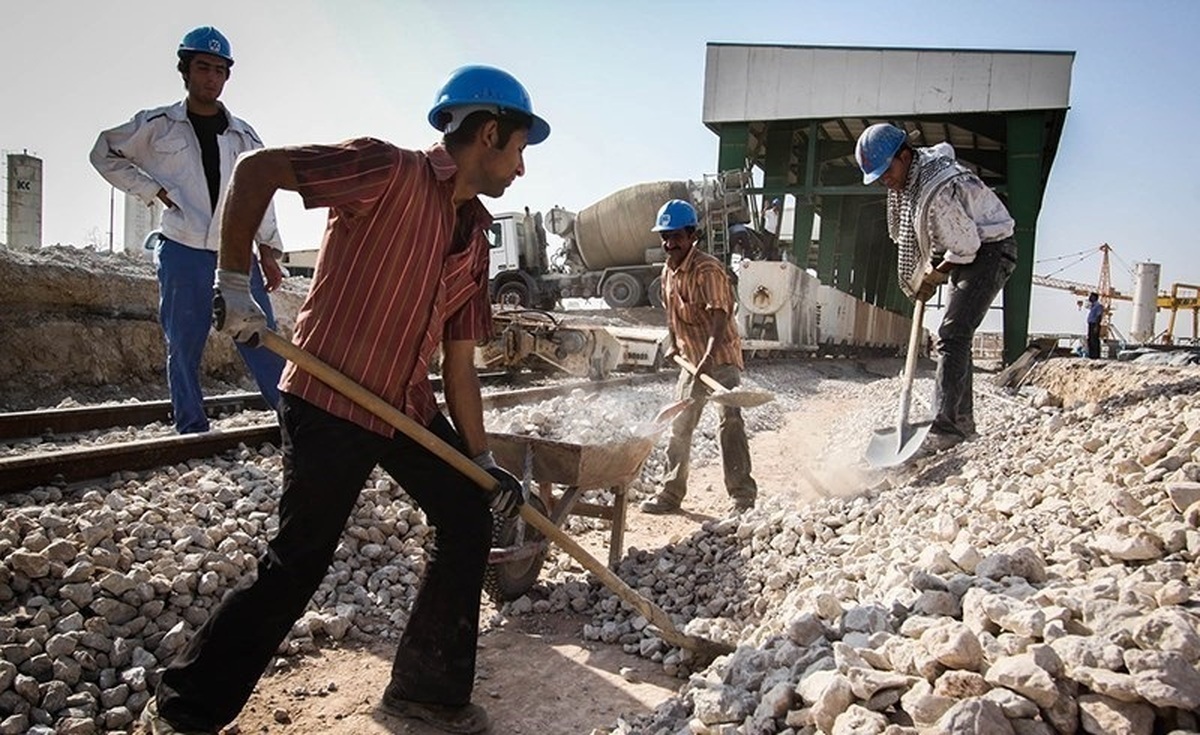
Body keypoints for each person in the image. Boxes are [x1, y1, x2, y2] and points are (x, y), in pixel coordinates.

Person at [139, 64, 548, 735]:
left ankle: (426, 691)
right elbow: (256, 171)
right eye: (520, 150)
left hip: (404, 409)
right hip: (330, 395)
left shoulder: (475, 239)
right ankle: (183, 709)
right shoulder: (385, 170)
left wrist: (480, 459)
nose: (522, 169)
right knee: (298, 561)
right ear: (490, 133)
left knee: (468, 513)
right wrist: (235, 282)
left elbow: (460, 362)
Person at [90, 26, 286, 434]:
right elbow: (104, 151)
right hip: (182, 250)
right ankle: (191, 430)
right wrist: (150, 188)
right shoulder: (157, 125)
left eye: (219, 70)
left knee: (261, 339)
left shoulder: (244, 136)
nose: (211, 77)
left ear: (227, 76)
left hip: (235, 255)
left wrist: (268, 251)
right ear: (185, 70)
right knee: (184, 344)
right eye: (202, 67)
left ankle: (292, 423)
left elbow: (261, 195)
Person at [855, 123, 1018, 453]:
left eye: (887, 171)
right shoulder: (919, 172)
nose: (885, 180)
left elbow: (968, 246)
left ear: (904, 156)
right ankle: (962, 421)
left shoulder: (936, 191)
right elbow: (951, 240)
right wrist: (935, 269)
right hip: (973, 248)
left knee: (952, 333)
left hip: (992, 249)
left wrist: (936, 274)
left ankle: (944, 427)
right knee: (958, 336)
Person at [640, 200, 758, 515]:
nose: (669, 244)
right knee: (680, 424)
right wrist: (672, 343)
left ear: (693, 235)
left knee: (729, 422)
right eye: (665, 237)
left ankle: (742, 496)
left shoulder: (708, 269)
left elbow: (720, 316)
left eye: (676, 236)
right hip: (691, 361)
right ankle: (670, 493)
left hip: (720, 358)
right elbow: (672, 313)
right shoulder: (668, 270)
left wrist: (707, 357)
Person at [1086, 292, 1104, 358]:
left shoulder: (1098, 306)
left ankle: (1095, 355)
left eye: (1091, 296)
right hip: (1091, 324)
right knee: (1090, 339)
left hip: (1094, 324)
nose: (1089, 298)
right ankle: (1091, 355)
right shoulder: (1092, 306)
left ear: (1094, 297)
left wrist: (1096, 326)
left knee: (1094, 340)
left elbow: (1099, 316)